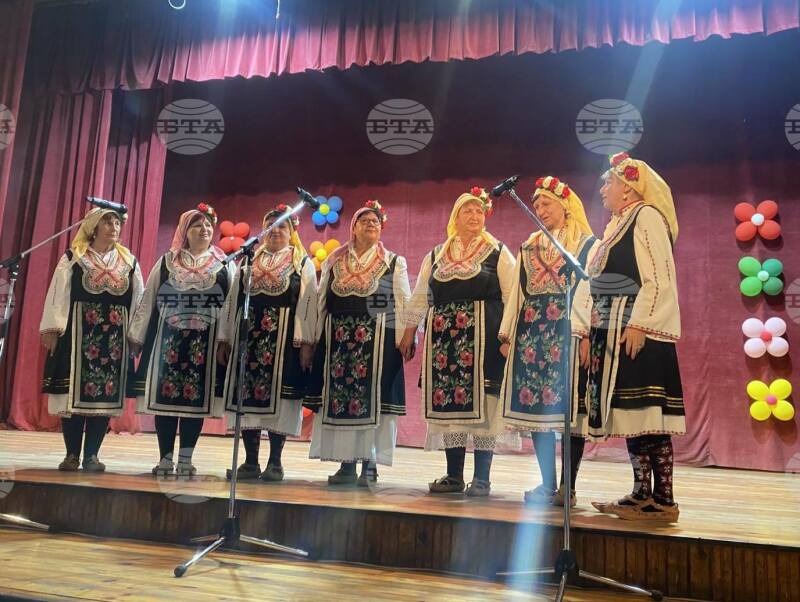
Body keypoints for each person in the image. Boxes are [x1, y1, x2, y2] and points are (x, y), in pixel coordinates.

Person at [572, 152, 684, 522]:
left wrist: (641, 324)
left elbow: (658, 275)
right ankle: (641, 494)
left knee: (648, 413)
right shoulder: (615, 225)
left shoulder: (646, 215)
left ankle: (664, 499)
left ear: (628, 187)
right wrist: (587, 330)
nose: (603, 189)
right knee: (631, 416)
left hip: (636, 329)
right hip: (612, 328)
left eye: (609, 182)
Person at [400, 187, 516, 497]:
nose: (475, 215)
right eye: (468, 210)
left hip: (485, 340)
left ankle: (482, 478)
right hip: (444, 344)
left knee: (485, 408)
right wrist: (409, 331)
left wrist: (508, 336)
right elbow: (421, 294)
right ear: (456, 216)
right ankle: (453, 476)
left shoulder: (498, 251)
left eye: (479, 211)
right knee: (450, 406)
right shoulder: (437, 255)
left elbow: (512, 296)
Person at [498, 177, 595, 506]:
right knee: (538, 412)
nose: (540, 210)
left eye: (546, 204)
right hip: (532, 335)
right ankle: (548, 484)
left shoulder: (585, 245)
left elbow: (589, 292)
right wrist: (507, 335)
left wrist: (584, 334)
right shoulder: (529, 246)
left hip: (568, 332)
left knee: (571, 413)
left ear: (565, 205)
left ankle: (568, 486)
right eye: (536, 205)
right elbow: (517, 292)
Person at [306, 200, 410, 486]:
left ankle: (370, 464)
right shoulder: (335, 260)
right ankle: (347, 465)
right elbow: (322, 301)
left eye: (375, 221)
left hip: (379, 341)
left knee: (375, 403)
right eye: (365, 220)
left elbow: (403, 301)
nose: (371, 224)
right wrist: (313, 339)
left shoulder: (393, 262)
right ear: (353, 227)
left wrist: (406, 336)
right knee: (342, 401)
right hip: (338, 341)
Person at [128, 203, 235, 476]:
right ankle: (165, 459)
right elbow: (148, 298)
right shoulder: (167, 261)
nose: (204, 229)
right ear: (185, 231)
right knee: (164, 401)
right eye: (197, 225)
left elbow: (231, 305)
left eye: (208, 225)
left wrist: (225, 339)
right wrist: (136, 335)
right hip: (167, 340)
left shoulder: (224, 264)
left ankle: (185, 459)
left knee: (194, 405)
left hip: (205, 343)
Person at [217, 205, 317, 482]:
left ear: (292, 232)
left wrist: (306, 342)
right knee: (246, 401)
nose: (276, 231)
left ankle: (275, 462)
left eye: (282, 226)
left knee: (281, 402)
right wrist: (225, 338)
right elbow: (233, 300)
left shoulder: (301, 263)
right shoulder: (249, 262)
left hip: (285, 341)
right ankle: (250, 461)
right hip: (249, 338)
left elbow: (308, 305)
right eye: (271, 226)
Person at [40, 207, 143, 471]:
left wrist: (136, 335)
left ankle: (92, 456)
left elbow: (138, 300)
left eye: (116, 222)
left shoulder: (128, 261)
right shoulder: (74, 257)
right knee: (72, 398)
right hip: (77, 333)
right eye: (107, 222)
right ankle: (72, 454)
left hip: (115, 339)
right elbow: (59, 293)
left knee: (104, 399)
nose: (113, 227)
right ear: (93, 227)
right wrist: (53, 328)